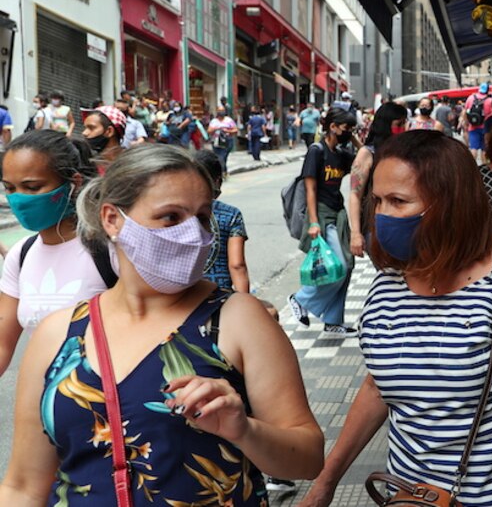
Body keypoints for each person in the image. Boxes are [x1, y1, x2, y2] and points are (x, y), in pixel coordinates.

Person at [299, 130, 492, 507]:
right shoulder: (387, 286)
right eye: (378, 201)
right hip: (412, 498)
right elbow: (378, 385)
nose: (381, 215)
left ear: (449, 203)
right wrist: (326, 482)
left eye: (398, 201)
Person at [0, 144, 324, 504]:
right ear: (112, 219)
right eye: (170, 217)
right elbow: (23, 485)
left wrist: (245, 430)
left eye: (202, 217)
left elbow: (308, 459)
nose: (194, 235)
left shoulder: (240, 319)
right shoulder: (57, 334)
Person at [0, 131, 104, 376]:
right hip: (42, 402)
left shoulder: (107, 251)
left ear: (74, 183)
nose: (19, 199)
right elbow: (3, 344)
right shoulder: (20, 254)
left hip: (109, 405)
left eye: (32, 187)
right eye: (10, 188)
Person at [286, 107, 360, 338]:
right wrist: (313, 222)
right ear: (332, 126)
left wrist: (354, 137)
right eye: (346, 128)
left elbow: (366, 159)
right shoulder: (316, 151)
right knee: (338, 266)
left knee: (347, 267)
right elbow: (310, 188)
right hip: (321, 213)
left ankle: (333, 321)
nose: (348, 132)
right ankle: (300, 299)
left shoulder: (341, 153)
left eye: (352, 128)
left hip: (338, 214)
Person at [347, 102, 408, 260]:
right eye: (399, 124)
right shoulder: (367, 154)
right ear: (386, 125)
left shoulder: (404, 151)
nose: (404, 128)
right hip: (375, 227)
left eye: (405, 123)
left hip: (403, 225)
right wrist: (355, 234)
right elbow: (355, 195)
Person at [195, 150, 249, 293]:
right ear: (217, 181)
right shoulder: (231, 214)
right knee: (271, 312)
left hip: (180, 298)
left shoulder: (174, 212)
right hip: (219, 294)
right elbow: (237, 265)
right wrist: (244, 302)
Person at [462, 83, 492, 161]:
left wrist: (465, 124)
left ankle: (472, 168)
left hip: (473, 127)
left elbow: (465, 112)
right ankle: (484, 169)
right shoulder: (490, 101)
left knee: (473, 148)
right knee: (484, 149)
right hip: (486, 128)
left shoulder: (470, 98)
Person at [207, 109, 239, 177]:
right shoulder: (214, 121)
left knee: (223, 156)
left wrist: (227, 130)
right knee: (220, 156)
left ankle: (223, 171)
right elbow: (209, 131)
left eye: (222, 111)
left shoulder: (229, 120)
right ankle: (223, 172)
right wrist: (216, 128)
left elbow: (235, 130)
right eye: (219, 111)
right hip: (216, 141)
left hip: (227, 140)